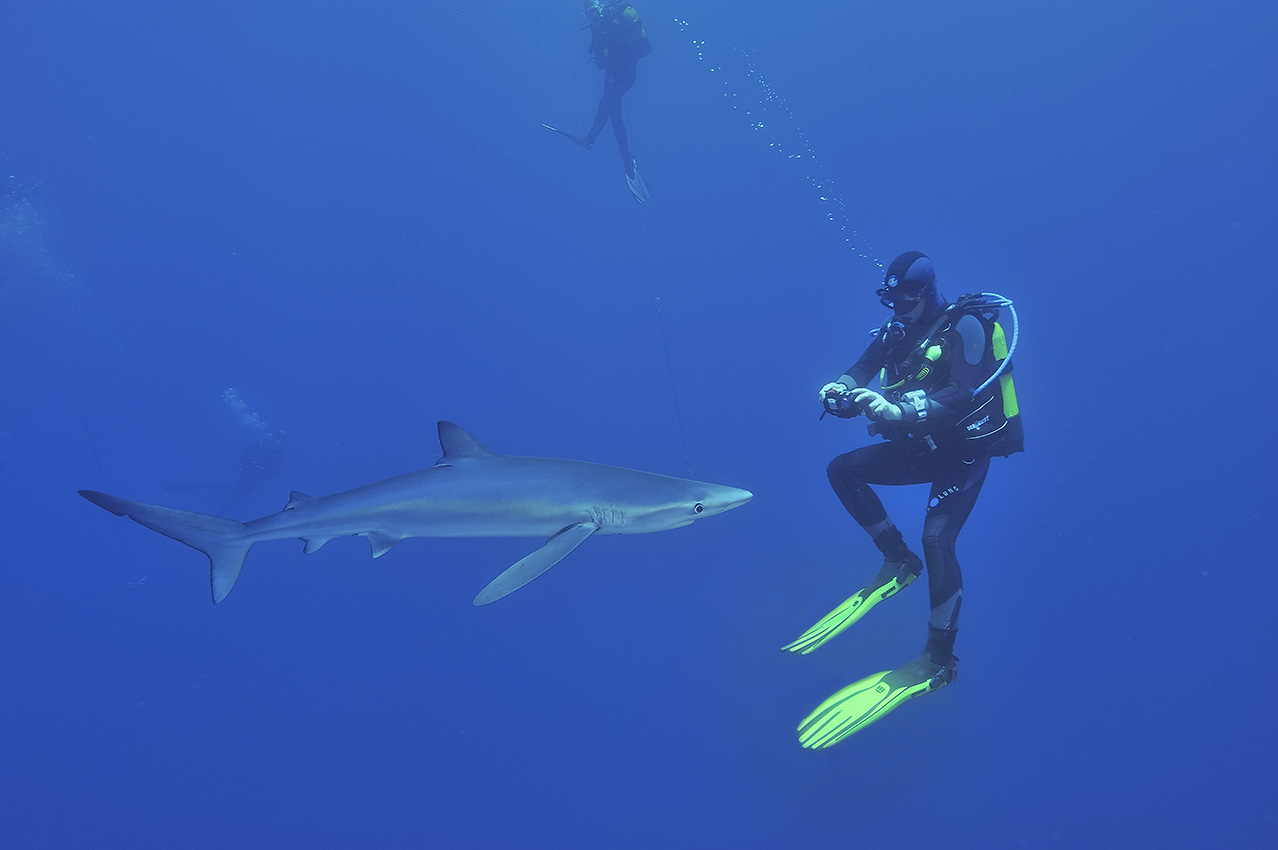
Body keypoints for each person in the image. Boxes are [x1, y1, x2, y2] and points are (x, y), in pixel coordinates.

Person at [785, 251, 1024, 748]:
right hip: (922, 448)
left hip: (963, 451)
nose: (898, 309)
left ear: (928, 292)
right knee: (843, 470)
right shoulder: (895, 331)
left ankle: (939, 661)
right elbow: (862, 367)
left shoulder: (968, 325)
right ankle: (898, 562)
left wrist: (903, 408)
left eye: (906, 299)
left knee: (938, 537)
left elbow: (964, 390)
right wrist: (841, 388)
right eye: (890, 299)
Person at [543, 1, 653, 203]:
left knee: (607, 102)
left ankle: (591, 139)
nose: (592, 16)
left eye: (594, 11)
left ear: (600, 9)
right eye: (589, 13)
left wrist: (613, 52)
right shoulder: (596, 25)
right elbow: (601, 58)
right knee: (613, 114)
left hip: (627, 72)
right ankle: (628, 161)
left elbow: (635, 49)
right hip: (612, 73)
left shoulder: (614, 19)